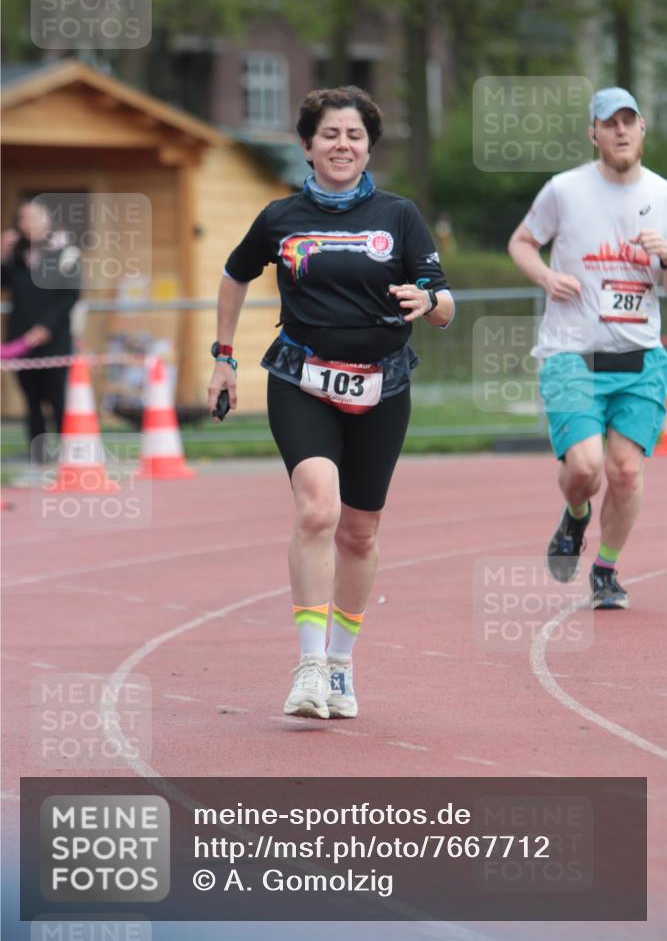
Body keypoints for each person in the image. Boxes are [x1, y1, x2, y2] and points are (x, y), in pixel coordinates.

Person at [208, 86, 454, 718]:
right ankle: (309, 665)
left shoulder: (400, 216)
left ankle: (341, 666)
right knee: (318, 506)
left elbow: (444, 299)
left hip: (383, 384)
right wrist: (223, 356)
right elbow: (236, 274)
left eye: (354, 136)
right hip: (302, 378)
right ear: (307, 146)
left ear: (369, 147)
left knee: (360, 530)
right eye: (330, 135)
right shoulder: (279, 218)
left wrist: (429, 303)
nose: (342, 145)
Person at [508, 87, 667, 609]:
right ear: (593, 133)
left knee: (625, 470)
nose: (620, 131)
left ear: (643, 129)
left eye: (629, 121)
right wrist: (547, 277)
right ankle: (576, 517)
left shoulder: (663, 196)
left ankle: (606, 570)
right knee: (585, 467)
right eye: (609, 122)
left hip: (640, 357)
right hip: (572, 351)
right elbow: (521, 242)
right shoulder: (564, 190)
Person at [1, 200, 80, 462]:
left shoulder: (64, 252)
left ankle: (66, 453)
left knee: (57, 397)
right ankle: (37, 455)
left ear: (48, 221)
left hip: (53, 337)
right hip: (20, 338)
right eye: (24, 219)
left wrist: (46, 327)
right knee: (31, 399)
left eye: (36, 218)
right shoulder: (15, 256)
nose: (30, 223)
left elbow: (71, 294)